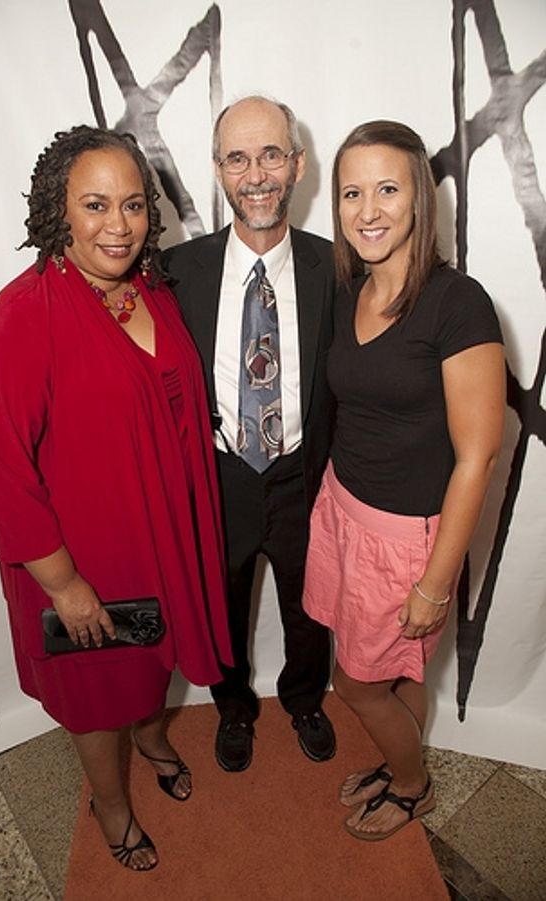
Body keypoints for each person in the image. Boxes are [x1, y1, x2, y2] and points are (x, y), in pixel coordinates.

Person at [0, 125, 232, 871]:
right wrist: (64, 584)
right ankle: (111, 806)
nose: (119, 224)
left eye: (134, 204)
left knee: (148, 665)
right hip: (81, 559)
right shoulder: (21, 318)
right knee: (95, 696)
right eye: (95, 204)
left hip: (158, 537)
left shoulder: (149, 289)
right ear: (58, 210)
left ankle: (150, 738)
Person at [302, 120, 505, 840]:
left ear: (419, 195)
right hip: (344, 510)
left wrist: (435, 584)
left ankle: (413, 785)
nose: (367, 210)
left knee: (354, 683)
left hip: (407, 541)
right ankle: (401, 759)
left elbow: (478, 457)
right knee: (398, 671)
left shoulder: (458, 303)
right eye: (351, 192)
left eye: (386, 189)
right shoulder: (350, 288)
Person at [163, 96, 336, 772]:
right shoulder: (176, 272)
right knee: (222, 606)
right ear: (218, 170)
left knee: (309, 607)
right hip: (220, 476)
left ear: (298, 164)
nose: (255, 175)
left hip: (303, 475)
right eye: (237, 158)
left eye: (270, 155)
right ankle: (233, 708)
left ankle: (305, 700)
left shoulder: (336, 269)